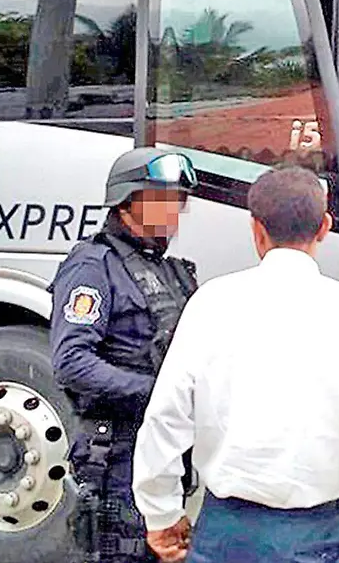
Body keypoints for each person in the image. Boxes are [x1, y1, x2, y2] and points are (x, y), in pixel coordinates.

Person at [132, 164, 339, 563]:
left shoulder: (209, 304)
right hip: (317, 536)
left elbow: (165, 420)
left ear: (256, 230)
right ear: (324, 227)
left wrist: (161, 513)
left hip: (224, 533)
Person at [50, 146, 202, 563]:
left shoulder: (171, 271)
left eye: (180, 200)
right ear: (128, 201)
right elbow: (71, 362)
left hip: (162, 451)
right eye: (165, 198)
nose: (176, 210)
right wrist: (157, 394)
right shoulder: (92, 266)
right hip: (116, 454)